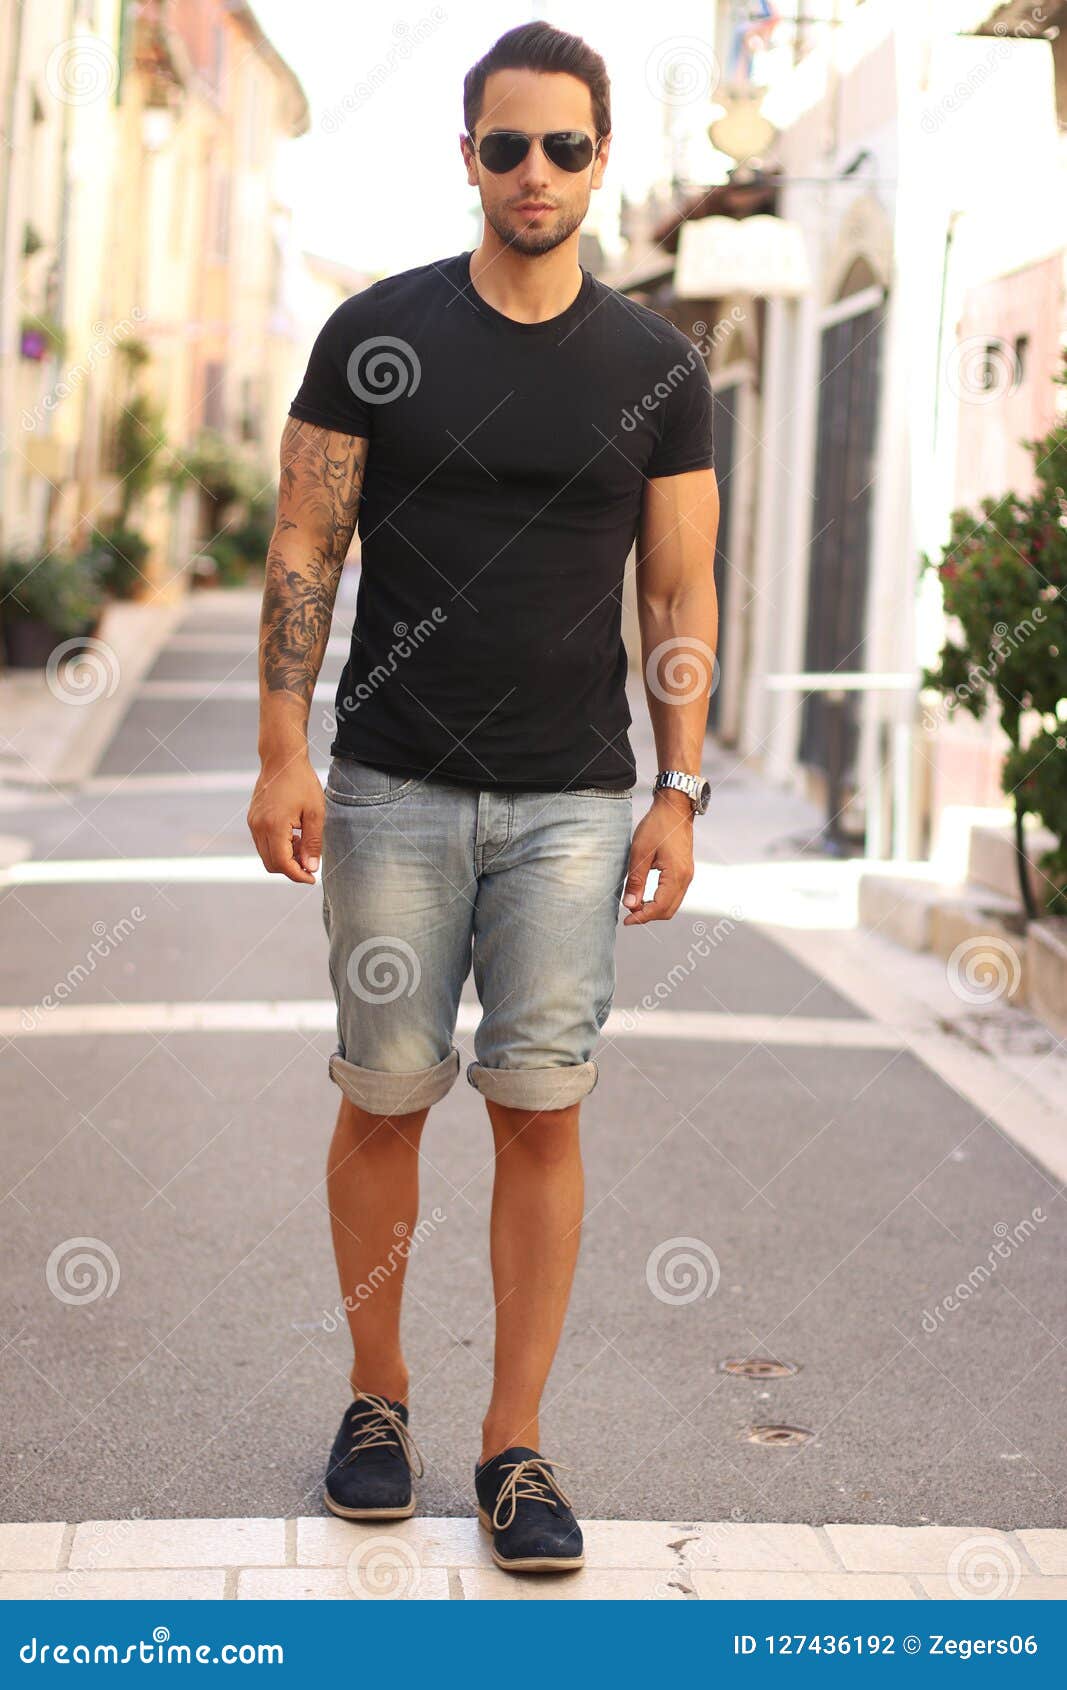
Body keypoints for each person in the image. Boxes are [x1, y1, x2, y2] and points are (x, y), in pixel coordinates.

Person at [247, 18, 719, 1575]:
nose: (534, 171)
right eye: (505, 145)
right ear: (467, 157)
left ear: (600, 162)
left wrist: (683, 788)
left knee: (540, 1106)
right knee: (383, 1100)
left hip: (577, 807)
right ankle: (377, 1402)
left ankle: (514, 1446)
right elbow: (307, 545)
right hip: (389, 789)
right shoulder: (378, 335)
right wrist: (280, 748)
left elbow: (682, 589)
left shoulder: (657, 368)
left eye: (565, 147)